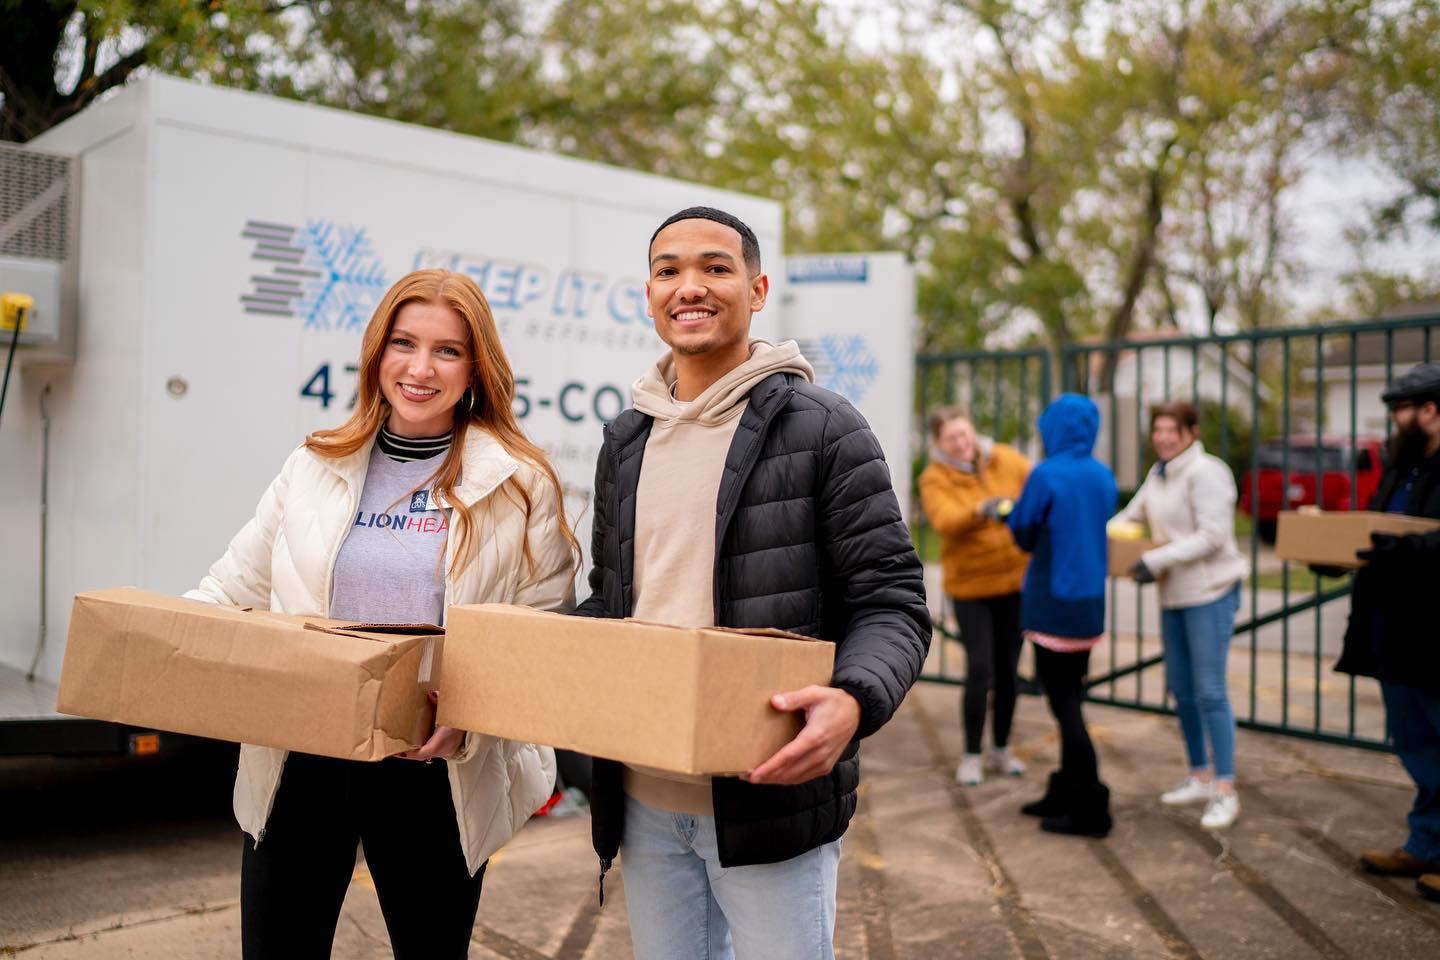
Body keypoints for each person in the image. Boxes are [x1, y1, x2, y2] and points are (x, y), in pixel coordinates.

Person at [185, 269, 580, 959]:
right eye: (403, 343)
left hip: (436, 767)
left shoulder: (519, 484)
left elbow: (546, 634)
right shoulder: (313, 465)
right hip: (300, 755)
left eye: (448, 350)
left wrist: (474, 714)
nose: (420, 368)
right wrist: (165, 659)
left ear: (475, 367)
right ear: (377, 353)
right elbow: (232, 585)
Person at [572, 206, 931, 959]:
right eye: (668, 270)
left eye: (714, 266)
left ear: (758, 289)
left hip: (770, 794)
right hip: (640, 799)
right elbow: (610, 602)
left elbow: (890, 599)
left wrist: (856, 700)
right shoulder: (625, 442)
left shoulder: (823, 428)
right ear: (649, 294)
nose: (689, 286)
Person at [1323, 363, 1440, 902]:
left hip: (1434, 626)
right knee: (1412, 739)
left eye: (1402, 410)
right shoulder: (1403, 467)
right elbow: (1376, 530)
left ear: (1431, 410)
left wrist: (1400, 551)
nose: (1396, 420)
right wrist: (1334, 553)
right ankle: (1426, 842)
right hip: (1394, 628)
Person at [1110, 401, 1249, 830]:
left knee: (1209, 690)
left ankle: (1225, 788)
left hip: (1210, 592)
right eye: (1159, 430)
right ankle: (1199, 775)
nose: (1164, 437)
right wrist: (1090, 536)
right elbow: (1126, 519)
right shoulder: (1159, 473)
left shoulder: (1208, 472)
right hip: (1173, 594)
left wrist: (1157, 559)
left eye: (1173, 430)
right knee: (1183, 690)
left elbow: (1213, 536)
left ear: (1191, 431)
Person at [1006, 393, 1117, 838]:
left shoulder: (1047, 473)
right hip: (1089, 603)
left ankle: (1091, 806)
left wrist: (1014, 520)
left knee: (1064, 706)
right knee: (1071, 698)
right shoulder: (1103, 475)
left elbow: (1024, 530)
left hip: (1054, 602)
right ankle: (1065, 789)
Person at [918, 407, 1031, 786]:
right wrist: (982, 510)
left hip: (1014, 585)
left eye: (964, 435)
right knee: (981, 670)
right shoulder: (934, 478)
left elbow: (1036, 487)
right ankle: (970, 754)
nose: (961, 444)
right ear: (939, 443)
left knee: (1009, 674)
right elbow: (945, 520)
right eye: (952, 439)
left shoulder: (1006, 460)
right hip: (971, 590)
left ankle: (1001, 749)